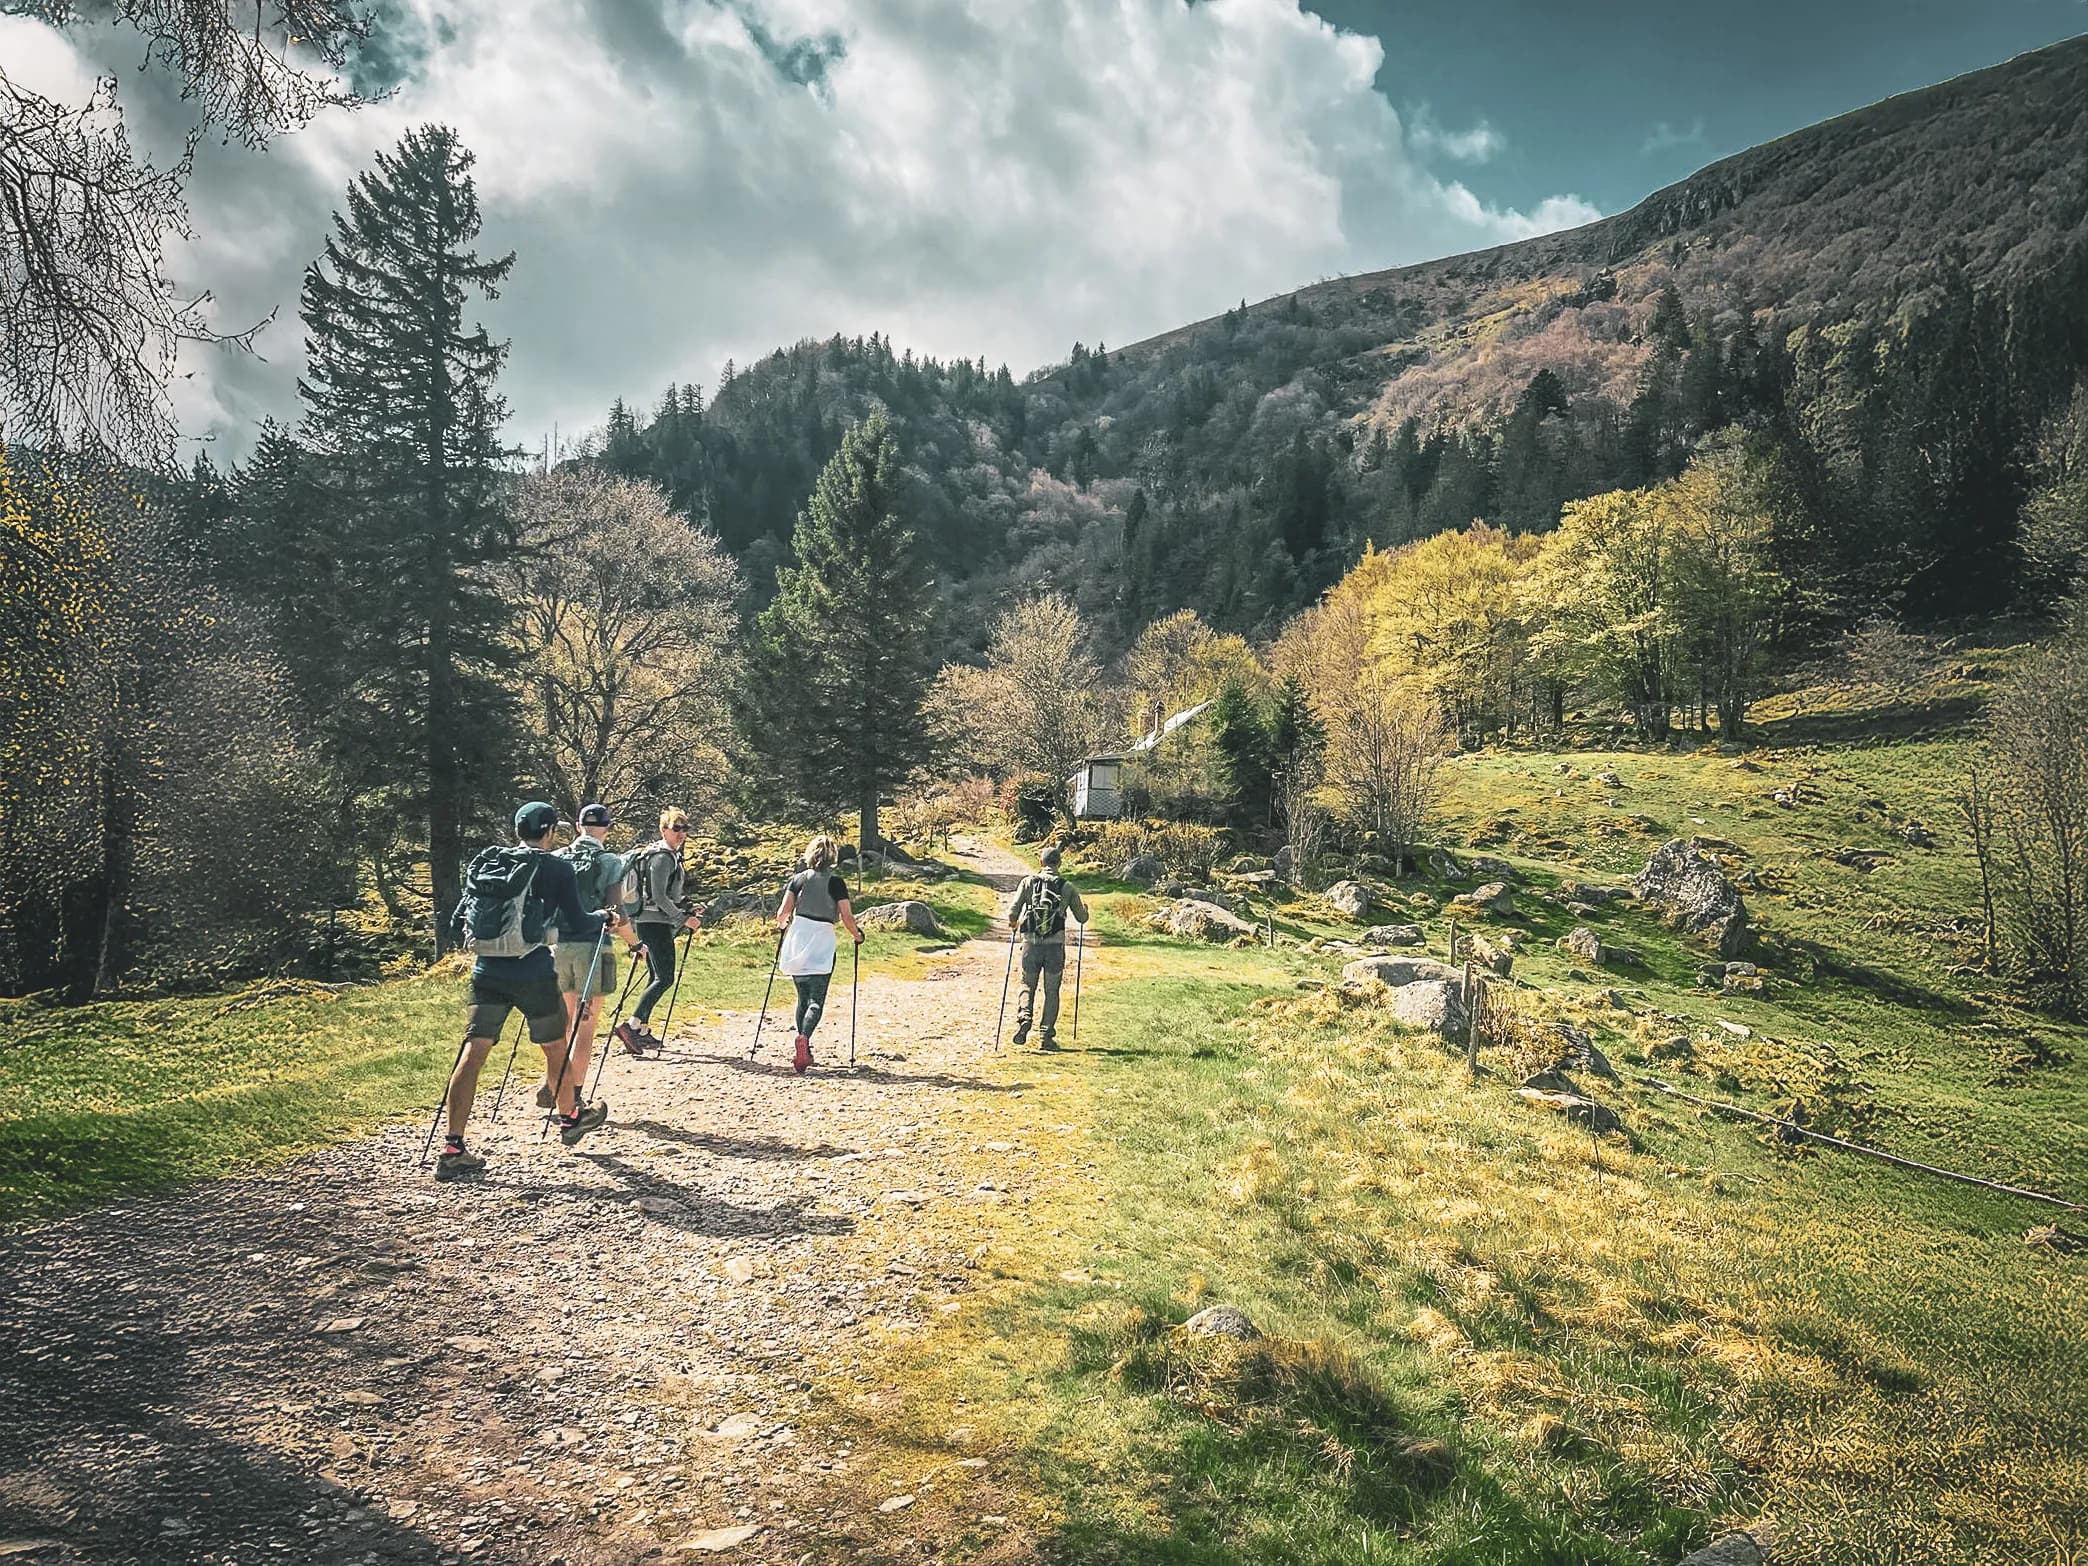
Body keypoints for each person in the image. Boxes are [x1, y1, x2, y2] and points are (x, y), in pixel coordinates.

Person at [438, 801, 627, 1180]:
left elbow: (459, 917)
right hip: (532, 969)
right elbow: (577, 920)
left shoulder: (491, 861)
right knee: (555, 1045)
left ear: (518, 830)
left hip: (487, 969)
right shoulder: (555, 867)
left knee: (473, 1052)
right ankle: (570, 1118)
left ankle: (453, 1147)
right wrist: (605, 917)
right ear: (549, 833)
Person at [541, 803, 642, 1107]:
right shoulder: (610, 861)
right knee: (585, 1028)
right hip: (593, 947)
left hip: (558, 947)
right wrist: (634, 943)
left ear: (577, 826)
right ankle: (574, 1094)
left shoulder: (556, 858)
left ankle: (552, 1082)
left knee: (564, 1023)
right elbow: (616, 911)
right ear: (608, 829)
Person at [614, 806, 702, 1054]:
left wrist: (687, 906)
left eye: (685, 829)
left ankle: (640, 1030)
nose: (681, 833)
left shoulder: (668, 855)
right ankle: (631, 1026)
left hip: (651, 921)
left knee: (656, 977)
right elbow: (659, 896)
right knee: (665, 977)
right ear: (664, 829)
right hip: (653, 923)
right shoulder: (662, 857)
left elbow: (669, 895)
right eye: (676, 828)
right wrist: (683, 919)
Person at [773, 835, 863, 1074]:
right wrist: (857, 935)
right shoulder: (836, 882)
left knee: (802, 997)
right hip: (822, 937)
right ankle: (804, 1038)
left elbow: (783, 913)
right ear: (832, 856)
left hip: (799, 934)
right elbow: (846, 916)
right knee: (816, 999)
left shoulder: (798, 879)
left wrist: (784, 926)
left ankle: (803, 1043)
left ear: (809, 854)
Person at [1008, 845, 1087, 1051]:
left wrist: (1015, 924)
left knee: (1027, 984)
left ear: (1040, 862)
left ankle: (1024, 1017)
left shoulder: (1027, 882)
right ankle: (1046, 1036)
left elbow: (1012, 913)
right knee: (1052, 991)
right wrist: (1085, 909)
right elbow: (1082, 918)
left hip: (1030, 945)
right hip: (1054, 948)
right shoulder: (1067, 887)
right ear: (1059, 863)